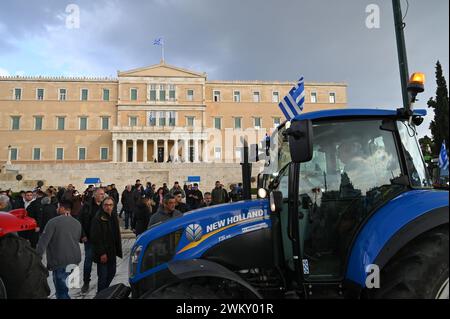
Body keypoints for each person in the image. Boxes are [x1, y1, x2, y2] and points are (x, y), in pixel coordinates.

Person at [36, 201, 83, 299]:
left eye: (58, 207)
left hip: (60, 260)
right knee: (65, 288)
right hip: (75, 259)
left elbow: (43, 241)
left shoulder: (53, 222)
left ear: (62, 208)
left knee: (61, 292)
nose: (56, 209)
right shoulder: (77, 223)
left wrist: (37, 257)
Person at [90, 197, 122, 294]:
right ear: (102, 206)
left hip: (112, 251)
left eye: (110, 205)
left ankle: (104, 292)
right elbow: (95, 237)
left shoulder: (113, 216)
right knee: (103, 276)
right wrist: (102, 253)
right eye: (106, 205)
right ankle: (101, 294)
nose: (108, 207)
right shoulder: (98, 218)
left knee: (112, 273)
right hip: (103, 253)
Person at [79, 187, 105, 294]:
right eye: (100, 194)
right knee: (88, 261)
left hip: (102, 239)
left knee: (102, 261)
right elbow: (80, 221)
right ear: (94, 195)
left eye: (103, 194)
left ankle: (102, 283)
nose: (102, 196)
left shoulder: (106, 206)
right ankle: (86, 282)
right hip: (89, 238)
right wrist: (83, 235)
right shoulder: (87, 206)